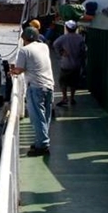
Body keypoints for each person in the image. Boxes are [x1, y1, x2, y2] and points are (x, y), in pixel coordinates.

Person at [11, 27, 54, 156]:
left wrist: (11, 71)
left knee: (37, 117)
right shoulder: (44, 47)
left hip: (36, 87)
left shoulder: (24, 51)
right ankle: (40, 141)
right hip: (49, 86)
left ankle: (43, 145)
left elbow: (19, 69)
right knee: (45, 117)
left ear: (24, 38)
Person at [53, 20, 86, 106]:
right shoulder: (80, 38)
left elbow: (55, 44)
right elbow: (83, 51)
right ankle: (72, 98)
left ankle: (64, 98)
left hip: (66, 64)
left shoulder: (64, 38)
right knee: (74, 83)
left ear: (67, 28)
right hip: (77, 64)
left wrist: (61, 52)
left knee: (63, 82)